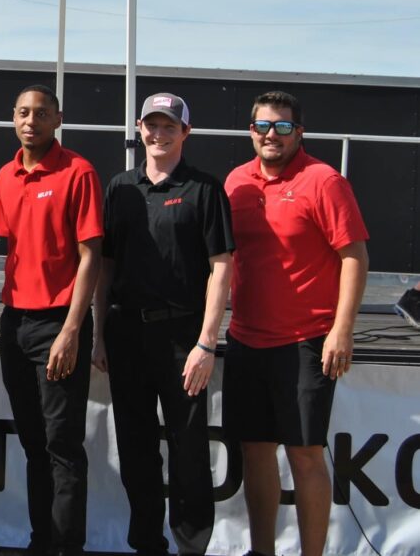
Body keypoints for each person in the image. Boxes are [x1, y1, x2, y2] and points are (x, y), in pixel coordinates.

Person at [223, 90, 369, 556]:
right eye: (263, 126)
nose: (272, 135)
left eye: (283, 127)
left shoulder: (324, 180)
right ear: (251, 131)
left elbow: (355, 257)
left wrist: (342, 330)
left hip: (306, 342)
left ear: (299, 133)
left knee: (305, 455)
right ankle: (262, 550)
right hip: (246, 340)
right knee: (254, 451)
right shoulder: (236, 182)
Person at [92, 93, 234, 556]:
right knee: (136, 448)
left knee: (188, 449)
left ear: (185, 132)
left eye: (169, 126)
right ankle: (147, 545)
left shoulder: (204, 189)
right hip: (126, 334)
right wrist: (98, 333)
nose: (159, 134)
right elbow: (106, 266)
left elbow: (221, 268)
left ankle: (192, 546)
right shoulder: (120, 188)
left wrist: (206, 343)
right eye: (152, 125)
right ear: (139, 128)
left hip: (183, 338)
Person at [0, 84, 102, 556]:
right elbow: (15, 247)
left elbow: (90, 256)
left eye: (41, 113)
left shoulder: (79, 171)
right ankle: (42, 541)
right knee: (33, 444)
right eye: (23, 112)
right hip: (15, 324)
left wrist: (72, 330)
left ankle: (67, 546)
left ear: (58, 119)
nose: (31, 121)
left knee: (63, 445)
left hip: (60, 324)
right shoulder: (5, 175)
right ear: (13, 118)